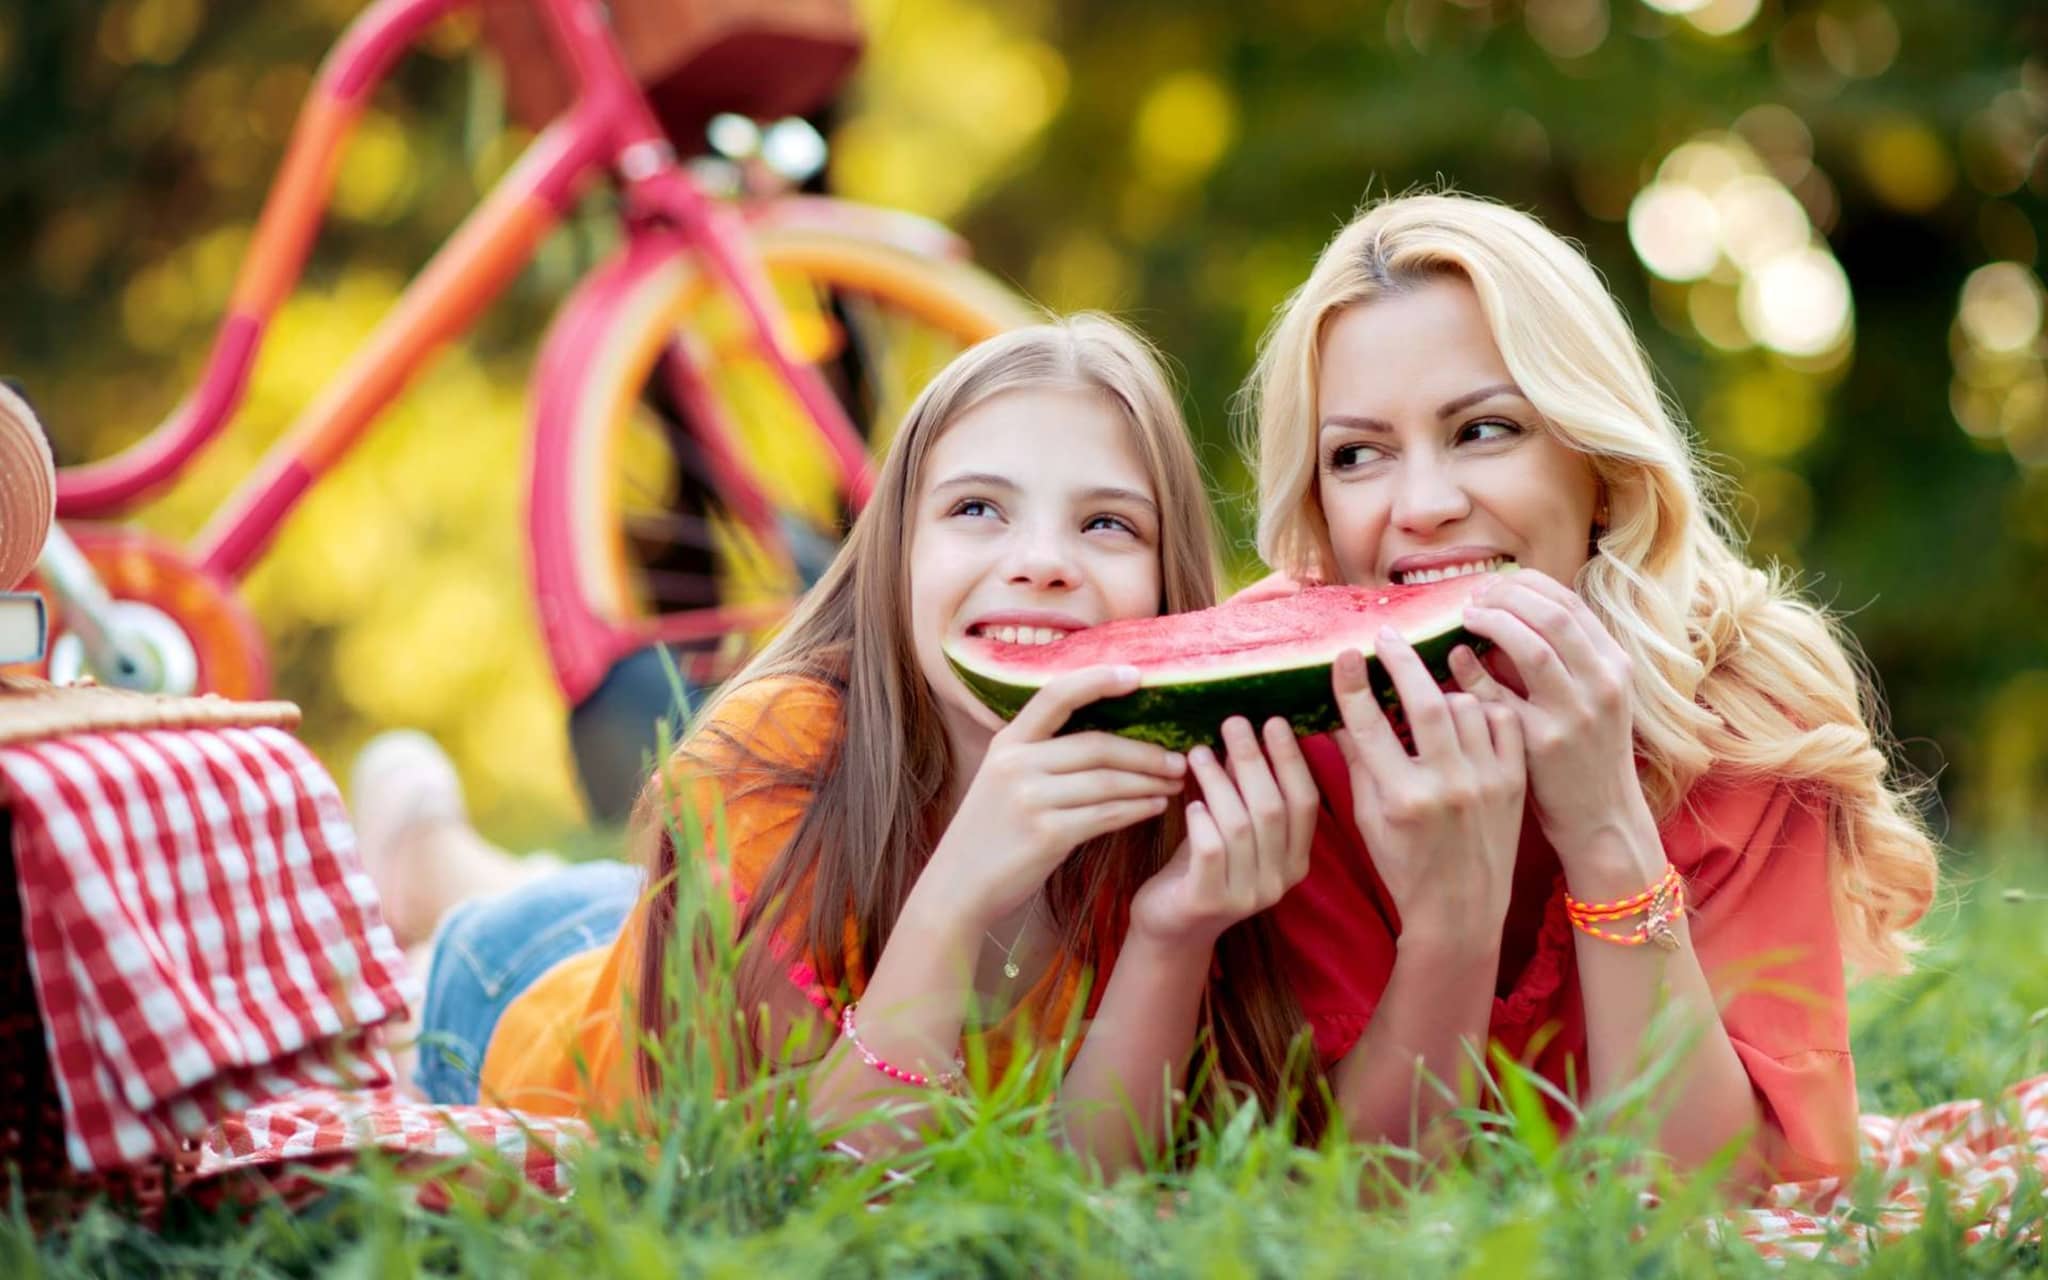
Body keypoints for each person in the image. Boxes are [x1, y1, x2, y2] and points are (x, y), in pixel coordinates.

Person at [366, 314, 1324, 1171]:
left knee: (587, 897)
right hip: (514, 997)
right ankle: (417, 838)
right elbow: (820, 1179)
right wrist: (958, 889)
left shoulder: (1167, 804)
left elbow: (1088, 1186)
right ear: (895, 555)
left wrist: (1172, 932)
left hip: (677, 923)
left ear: (1168, 583)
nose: (1041, 562)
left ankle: (444, 852)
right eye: (976, 509)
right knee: (474, 921)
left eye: (1107, 523)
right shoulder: (773, 755)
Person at [1238, 192, 1938, 1187]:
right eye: (1356, 454)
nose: (1423, 505)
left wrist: (1605, 823)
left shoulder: (1744, 706)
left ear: (1596, 462)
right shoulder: (1274, 721)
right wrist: (1452, 919)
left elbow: (1729, 1189)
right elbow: (1362, 1192)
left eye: (1484, 429)